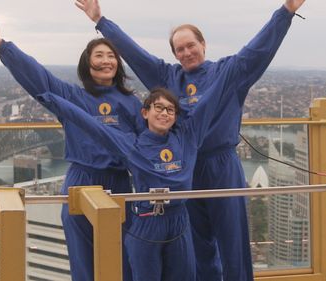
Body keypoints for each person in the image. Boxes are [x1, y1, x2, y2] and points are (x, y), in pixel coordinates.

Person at [75, 1, 306, 280]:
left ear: (203, 44)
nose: (186, 52)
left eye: (190, 45)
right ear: (174, 54)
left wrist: (286, 12)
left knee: (233, 242)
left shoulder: (227, 72)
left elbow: (257, 51)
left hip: (222, 166)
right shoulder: (168, 76)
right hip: (184, 168)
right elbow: (135, 55)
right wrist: (101, 21)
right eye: (179, 49)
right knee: (197, 247)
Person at [0, 14, 145, 281]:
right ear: (88, 63)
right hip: (81, 180)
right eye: (99, 55)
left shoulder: (132, 103)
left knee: (123, 261)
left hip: (119, 182)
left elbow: (148, 147)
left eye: (111, 55)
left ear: (118, 64)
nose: (106, 60)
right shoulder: (73, 97)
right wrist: (1, 45)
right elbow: (40, 79)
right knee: (83, 262)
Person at [36, 74, 239, 280]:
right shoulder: (132, 145)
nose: (164, 113)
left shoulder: (187, 137)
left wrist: (237, 69)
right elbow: (91, 125)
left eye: (170, 110)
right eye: (158, 108)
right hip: (146, 222)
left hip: (179, 220)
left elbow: (213, 97)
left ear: (176, 117)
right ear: (145, 113)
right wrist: (52, 100)